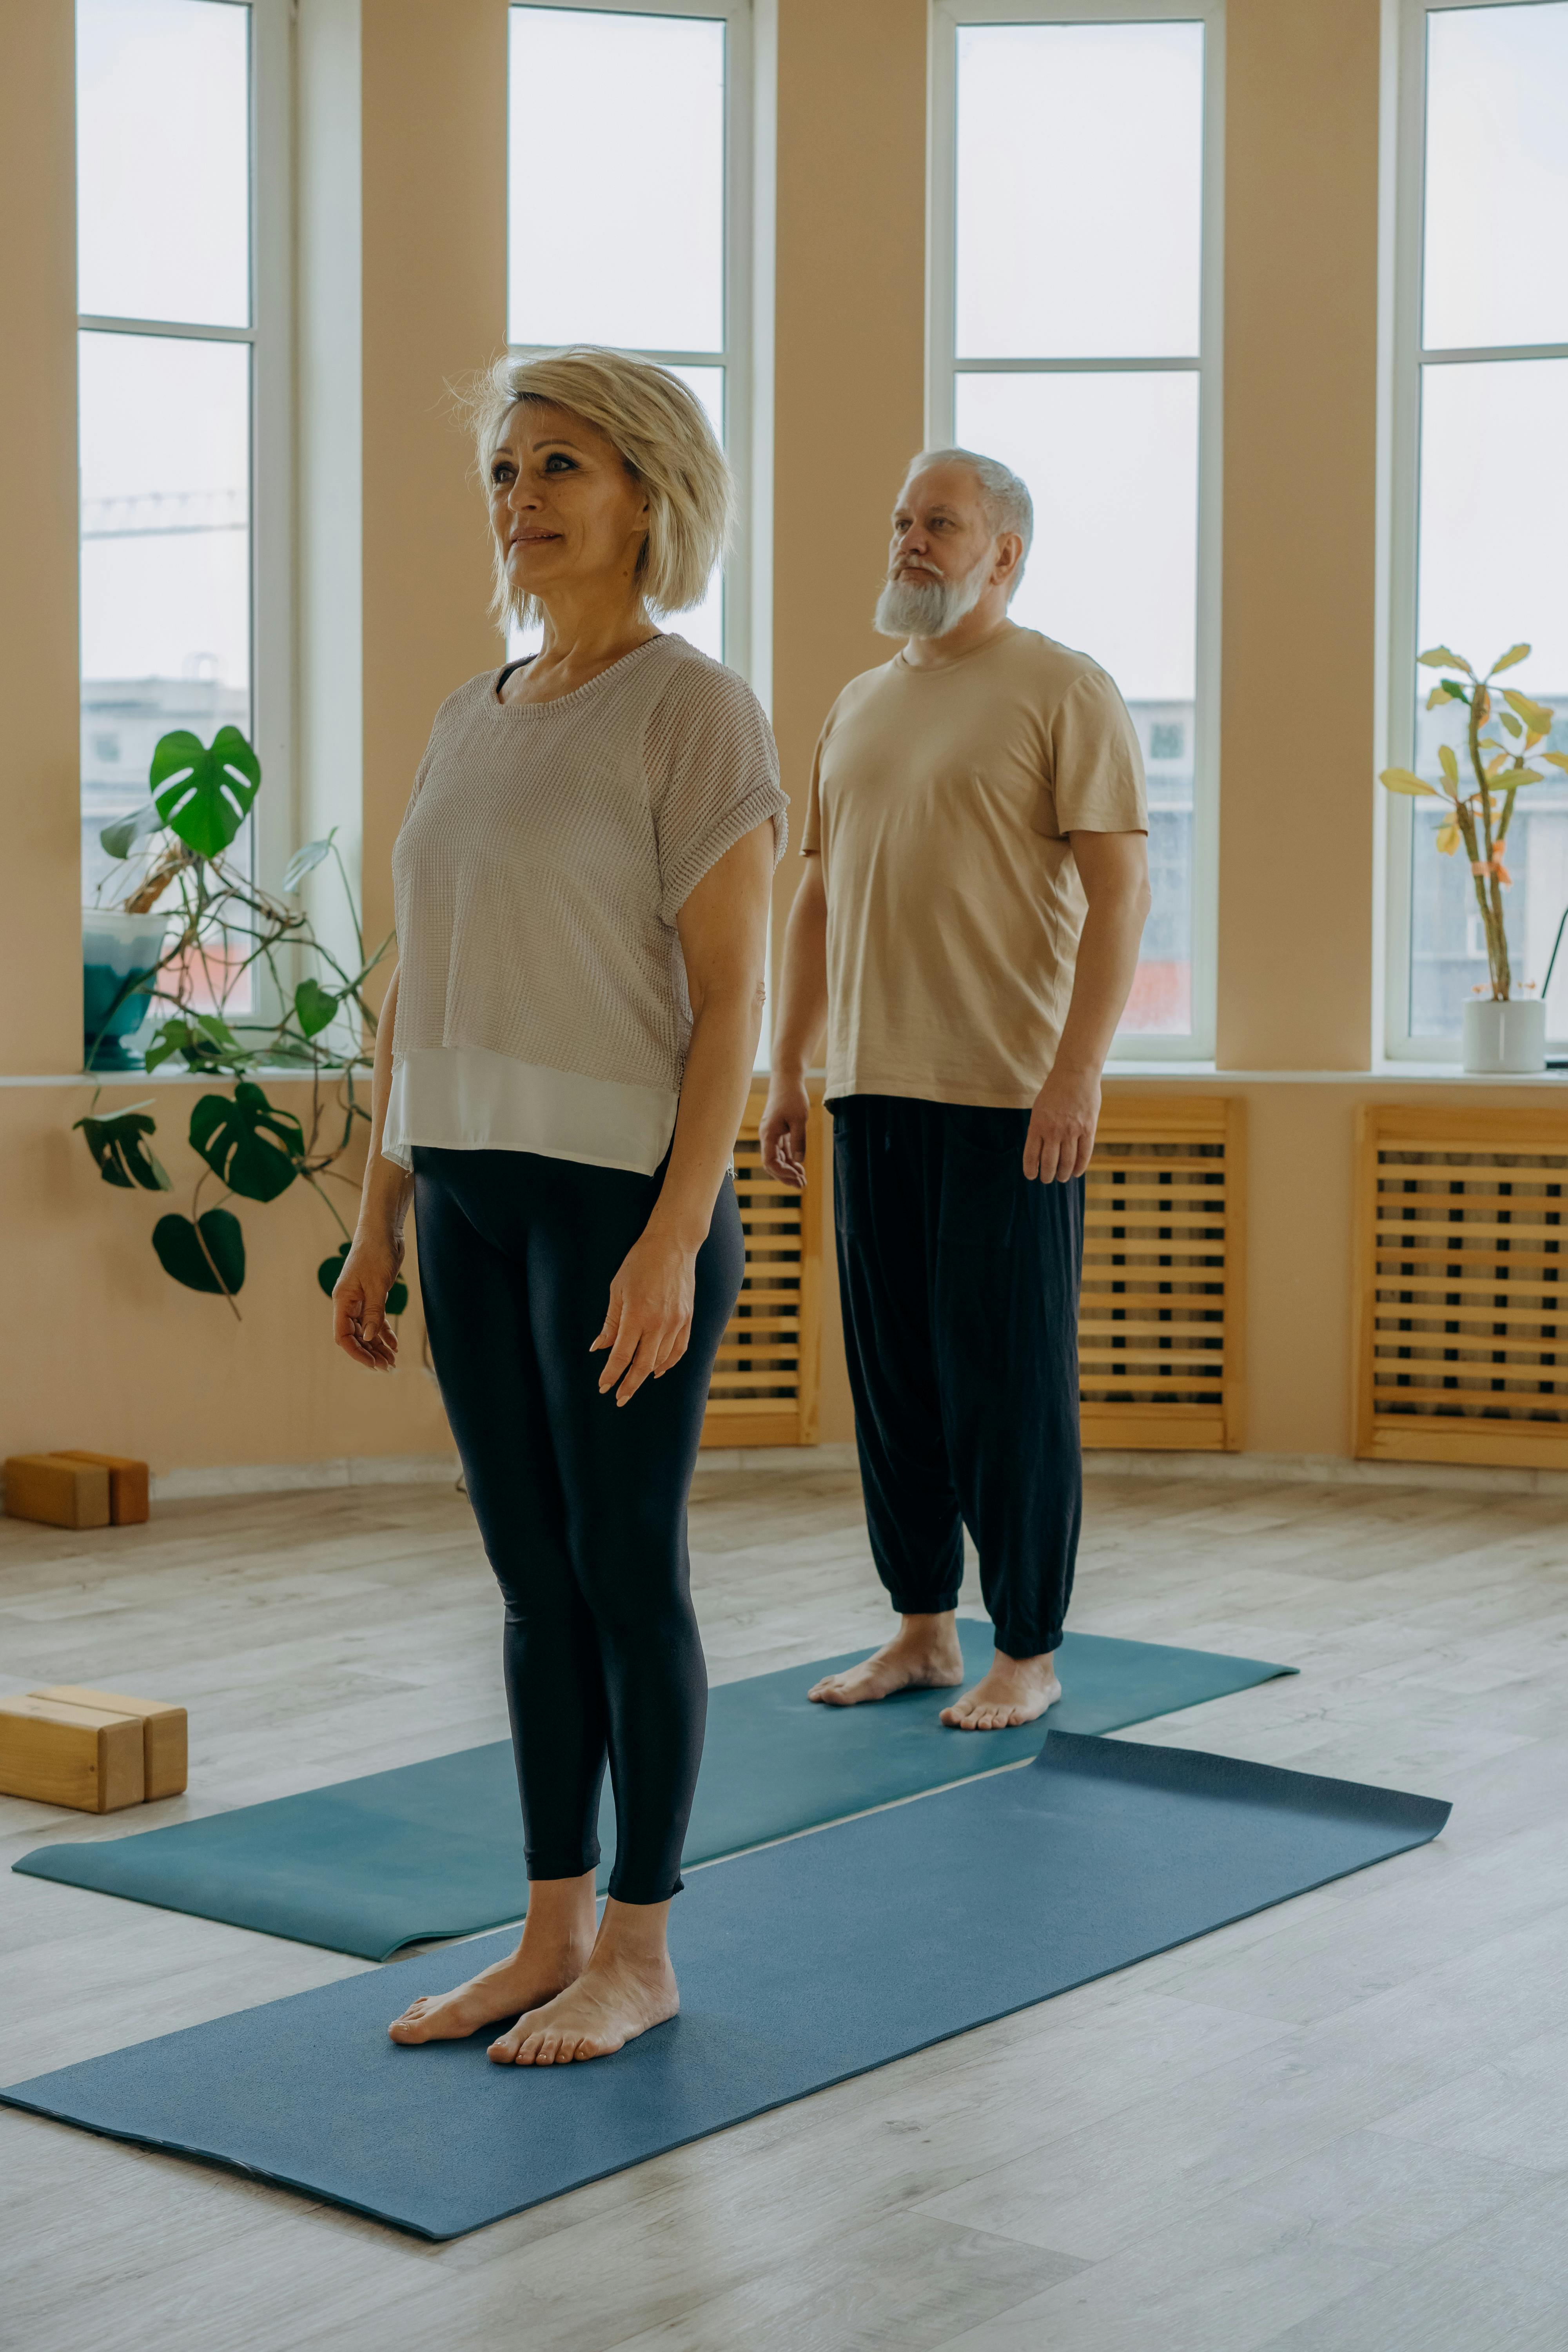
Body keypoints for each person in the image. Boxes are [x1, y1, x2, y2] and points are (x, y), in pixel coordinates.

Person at [333, 346, 786, 2065]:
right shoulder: (472, 712)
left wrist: (673, 1238)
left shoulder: (695, 709)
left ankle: (642, 1952)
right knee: (532, 1586)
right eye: (507, 471)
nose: (521, 498)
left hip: (616, 1211)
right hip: (465, 1197)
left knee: (622, 1572)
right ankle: (548, 1935)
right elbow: (416, 988)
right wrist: (378, 1215)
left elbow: (731, 1003)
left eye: (560, 466)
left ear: (648, 495)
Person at [760, 448, 1149, 1732]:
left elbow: (1121, 894)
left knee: (1009, 1390)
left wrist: (1076, 1073)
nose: (911, 540)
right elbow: (817, 901)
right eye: (902, 521)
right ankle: (924, 1632)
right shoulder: (858, 703)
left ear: (1005, 553)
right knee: (897, 1387)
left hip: (1008, 1099)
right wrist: (787, 1066)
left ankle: (1026, 1650)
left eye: (940, 522)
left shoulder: (1064, 690)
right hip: (870, 1091)